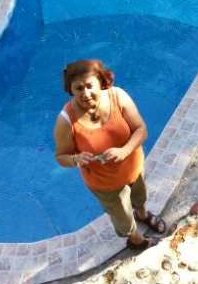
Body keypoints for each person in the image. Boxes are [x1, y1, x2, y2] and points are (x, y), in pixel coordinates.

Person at [54, 59, 166, 249]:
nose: (85, 93)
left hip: (134, 167)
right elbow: (60, 157)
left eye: (90, 86)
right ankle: (136, 240)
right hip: (105, 184)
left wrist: (124, 151)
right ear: (71, 90)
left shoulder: (118, 96)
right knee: (121, 216)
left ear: (100, 82)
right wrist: (75, 159)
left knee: (139, 196)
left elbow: (141, 129)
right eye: (78, 88)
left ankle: (142, 214)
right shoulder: (66, 120)